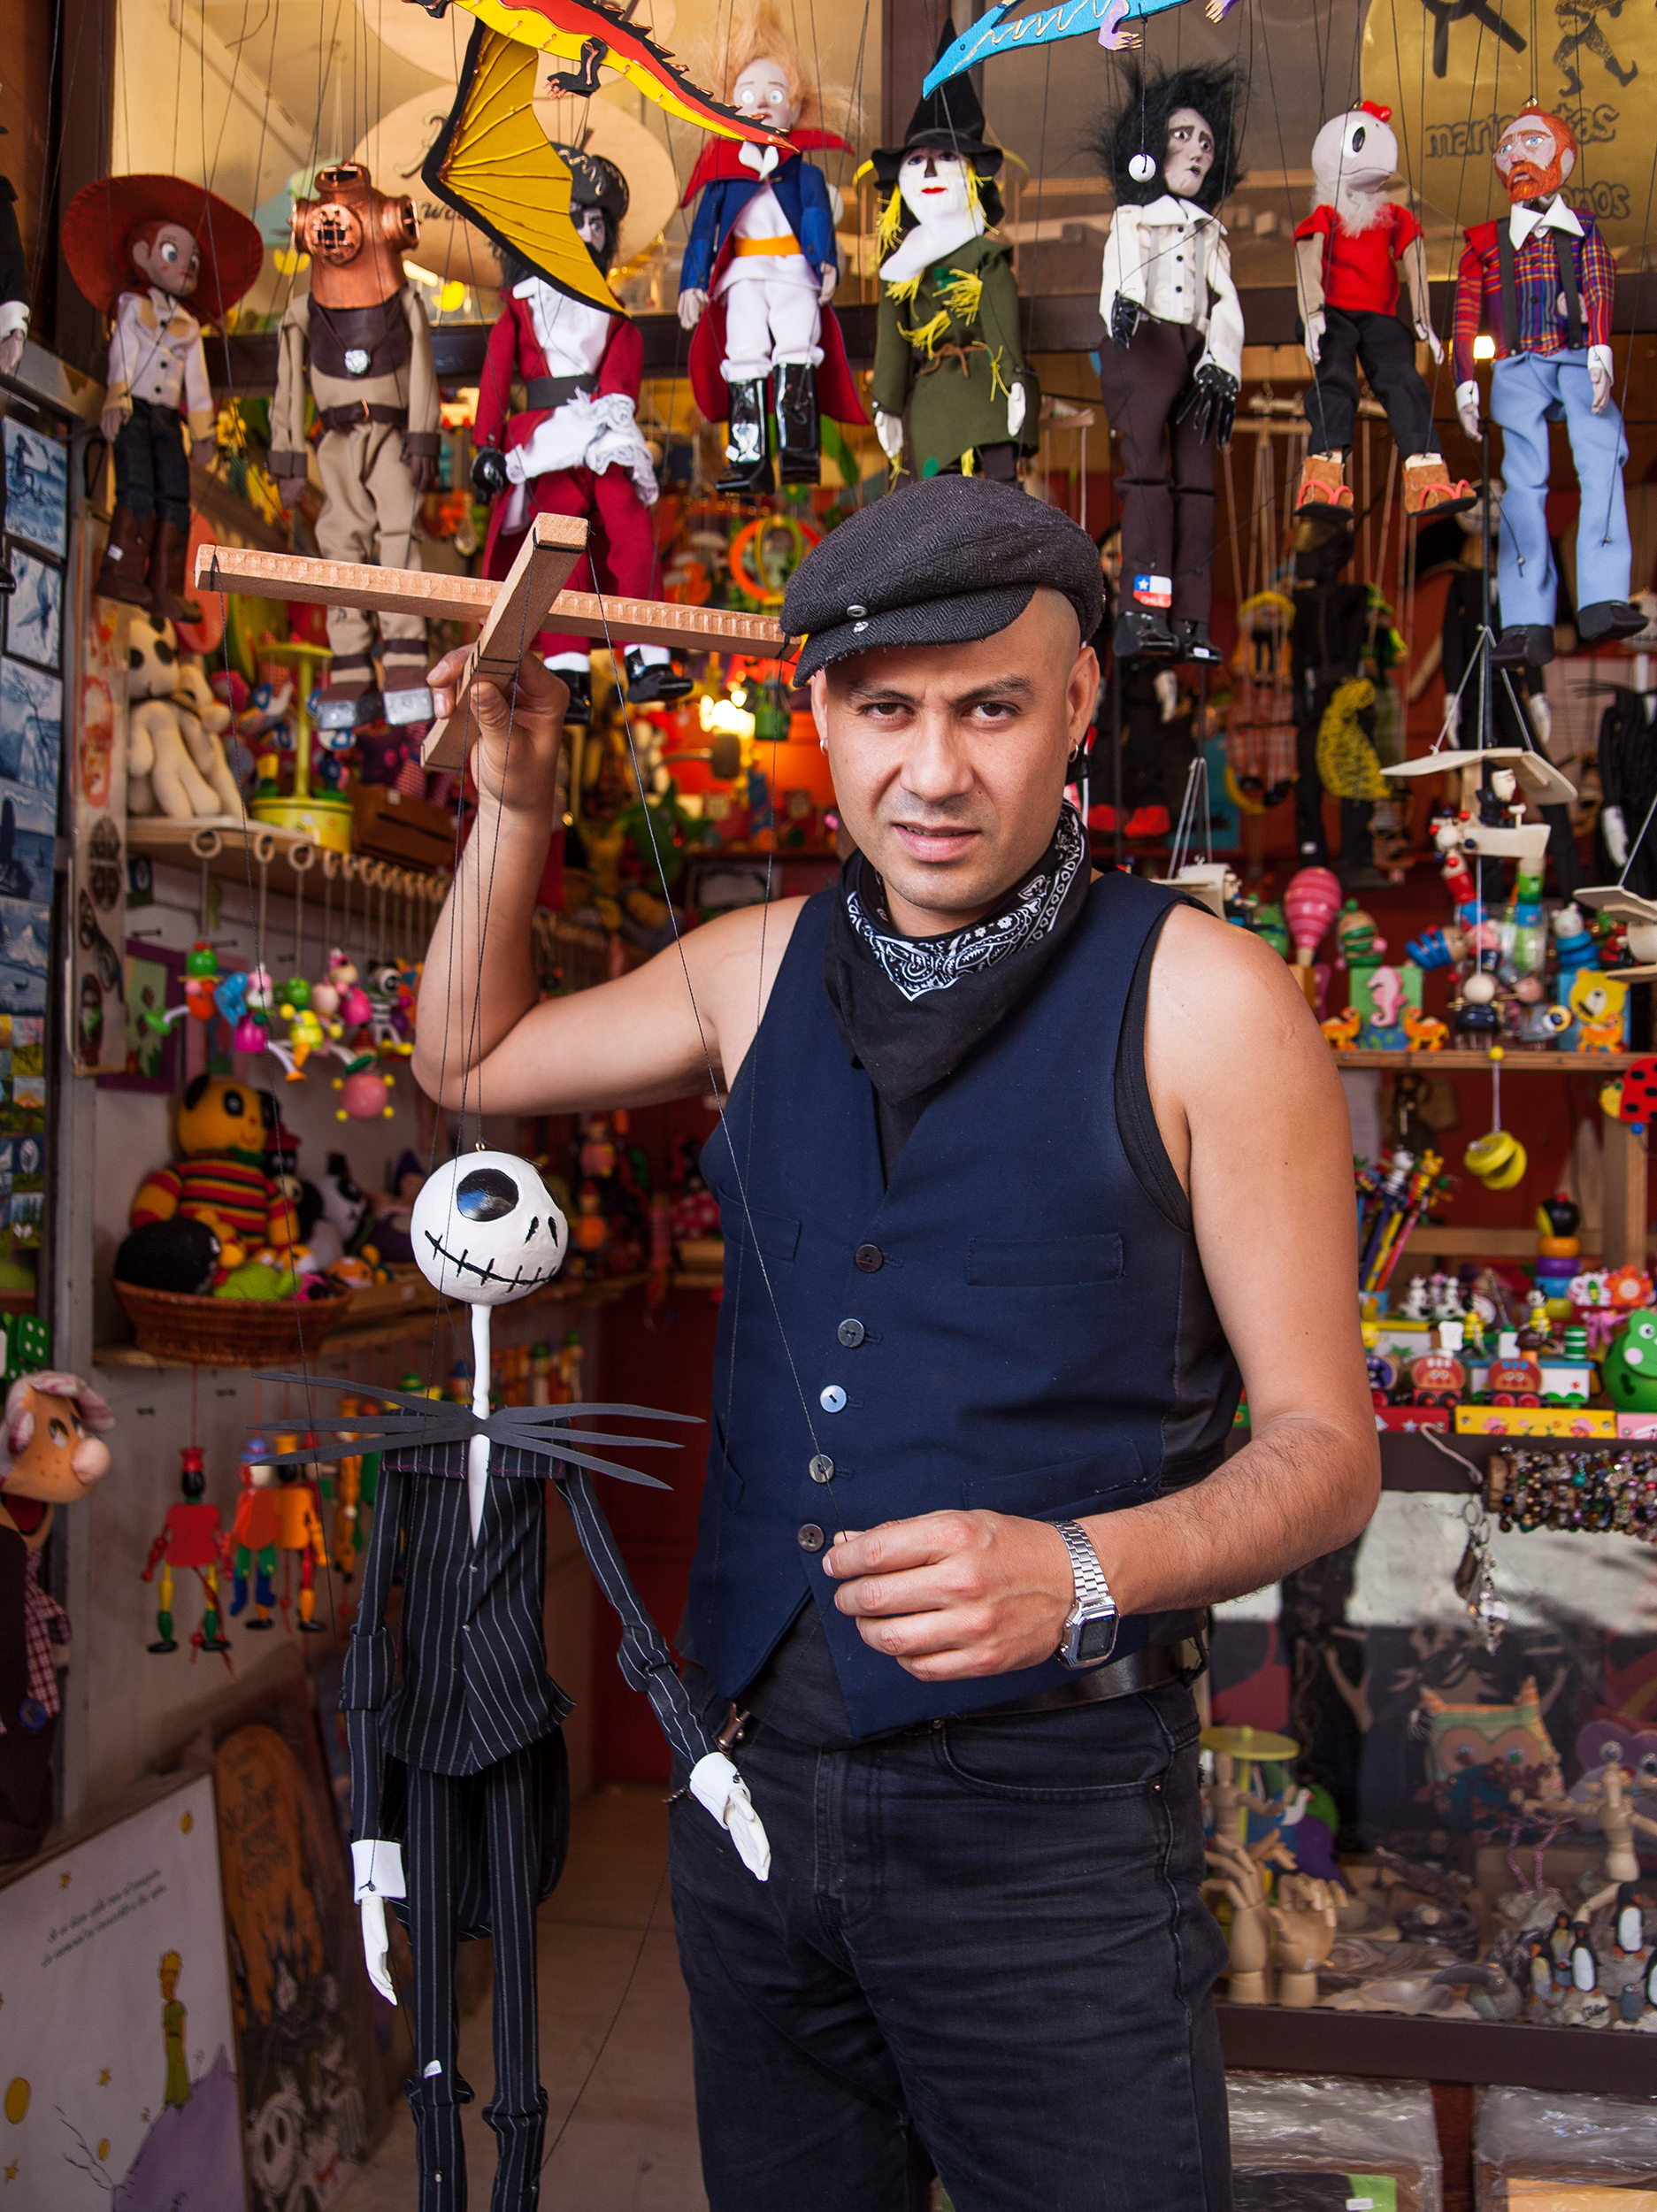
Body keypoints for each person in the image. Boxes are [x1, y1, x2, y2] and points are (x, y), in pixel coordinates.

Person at [414, 475, 1380, 2212]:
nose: (932, 773)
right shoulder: (749, 968)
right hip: (751, 1790)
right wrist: (513, 806)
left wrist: (1089, 1563)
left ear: (1078, 705)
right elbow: (469, 1061)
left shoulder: (1209, 999)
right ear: (820, 720)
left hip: (1054, 1827)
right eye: (886, 710)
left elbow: (1326, 1448)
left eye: (989, 707)